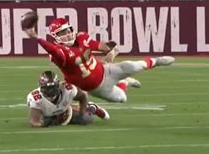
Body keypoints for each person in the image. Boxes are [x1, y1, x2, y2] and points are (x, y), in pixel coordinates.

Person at [23, 18, 174, 103]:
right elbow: (68, 56)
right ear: (56, 37)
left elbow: (99, 46)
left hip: (105, 69)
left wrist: (109, 48)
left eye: (68, 31)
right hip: (97, 88)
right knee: (122, 98)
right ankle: (125, 82)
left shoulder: (82, 37)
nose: (68, 35)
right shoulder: (59, 52)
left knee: (134, 66)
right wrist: (37, 37)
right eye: (62, 33)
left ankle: (156, 61)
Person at [27, 71, 109, 127]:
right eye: (48, 88)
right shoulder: (36, 98)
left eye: (53, 87)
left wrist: (82, 113)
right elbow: (34, 121)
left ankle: (91, 107)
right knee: (47, 121)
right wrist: (42, 124)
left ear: (58, 85)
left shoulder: (67, 89)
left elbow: (83, 96)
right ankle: (66, 113)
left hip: (65, 109)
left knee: (85, 120)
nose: (51, 91)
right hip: (48, 115)